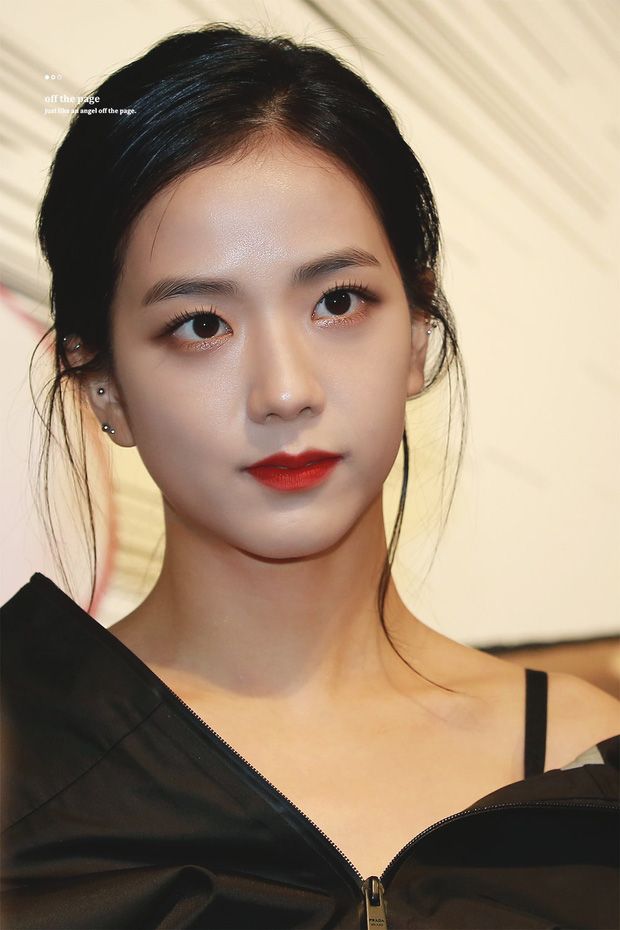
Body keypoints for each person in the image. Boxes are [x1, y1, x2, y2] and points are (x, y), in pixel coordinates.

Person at [1, 24, 618, 930]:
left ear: (418, 334)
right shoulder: (19, 757)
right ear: (104, 385)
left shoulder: (586, 773)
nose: (285, 391)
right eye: (201, 325)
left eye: (338, 302)